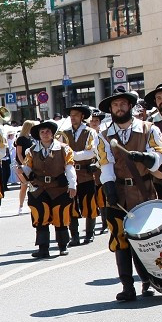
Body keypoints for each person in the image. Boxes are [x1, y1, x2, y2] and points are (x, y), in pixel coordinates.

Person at [96, 90, 162, 302]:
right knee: (120, 240)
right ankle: (127, 286)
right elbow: (105, 163)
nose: (119, 108)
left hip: (143, 191)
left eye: (122, 104)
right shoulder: (103, 135)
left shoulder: (149, 129)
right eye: (115, 105)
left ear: (130, 106)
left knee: (146, 238)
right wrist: (109, 186)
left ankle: (148, 279)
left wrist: (148, 158)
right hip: (118, 191)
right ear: (110, 110)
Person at [21, 120, 77, 258]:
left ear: (52, 134)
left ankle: (63, 246)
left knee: (61, 216)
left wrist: (72, 185)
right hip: (39, 189)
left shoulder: (64, 149)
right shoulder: (31, 151)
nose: (45, 134)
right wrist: (21, 171)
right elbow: (27, 168)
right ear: (39, 135)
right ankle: (43, 248)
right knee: (40, 217)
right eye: (42, 132)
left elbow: (70, 168)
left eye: (47, 131)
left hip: (59, 188)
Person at [60, 105, 101, 245]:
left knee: (89, 204)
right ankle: (75, 236)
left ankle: (89, 234)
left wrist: (72, 155)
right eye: (71, 115)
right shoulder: (64, 133)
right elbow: (60, 151)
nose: (73, 118)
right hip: (70, 174)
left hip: (86, 174)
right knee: (71, 206)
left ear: (82, 117)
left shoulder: (90, 132)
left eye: (76, 115)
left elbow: (91, 152)